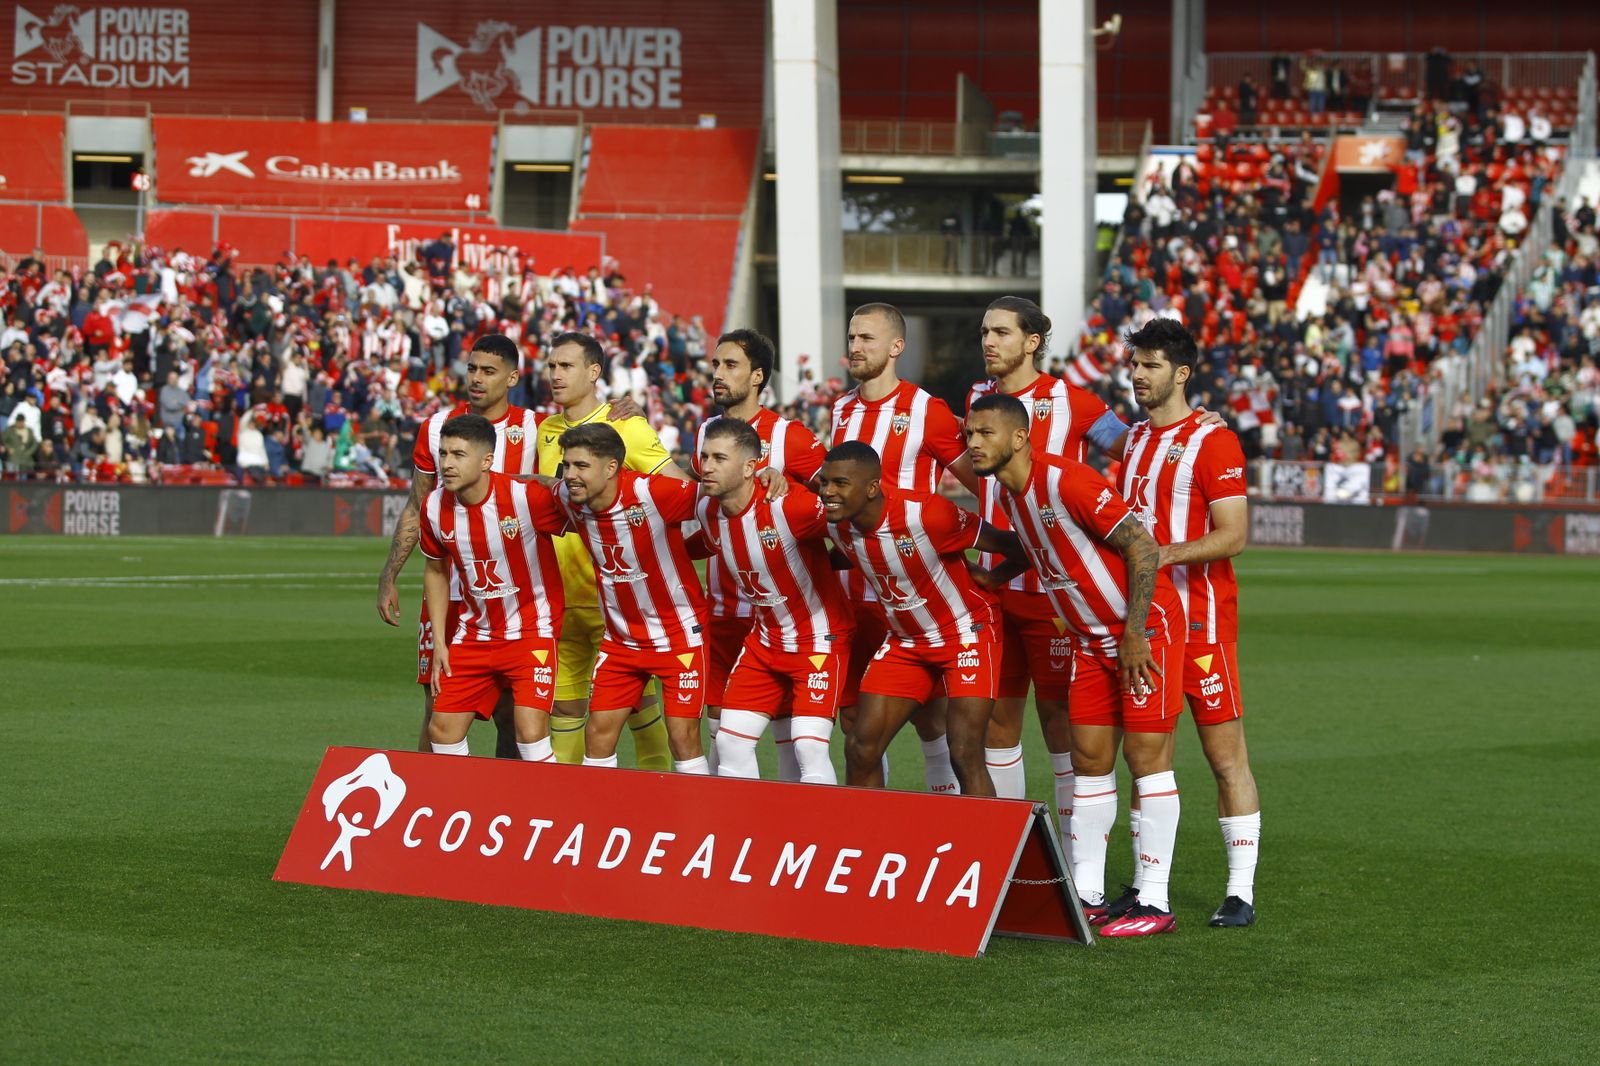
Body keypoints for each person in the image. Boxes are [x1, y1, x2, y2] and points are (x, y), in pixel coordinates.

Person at [964, 392, 1185, 938]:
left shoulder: (1068, 481)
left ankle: (1154, 900)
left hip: (1144, 629)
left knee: (1145, 756)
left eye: (984, 433)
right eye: (970, 433)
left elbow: (1143, 546)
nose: (972, 442)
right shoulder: (1010, 493)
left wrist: (1134, 632)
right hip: (1088, 639)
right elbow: (1033, 545)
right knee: (1088, 759)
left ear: (1019, 438)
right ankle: (1086, 891)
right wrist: (995, 576)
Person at [965, 296, 1130, 826]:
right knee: (995, 724)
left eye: (1001, 332)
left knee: (1061, 726)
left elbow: (1135, 453)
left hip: (1054, 595)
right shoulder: (975, 398)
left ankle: (1064, 851)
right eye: (985, 332)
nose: (989, 341)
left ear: (1032, 342)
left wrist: (1191, 426)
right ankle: (1015, 851)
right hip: (993, 589)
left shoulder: (1073, 402)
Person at [1120, 318, 1260, 928]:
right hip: (1147, 628)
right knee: (1147, 757)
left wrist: (1166, 553)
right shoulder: (1129, 440)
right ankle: (1150, 888)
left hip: (1202, 627)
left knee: (1225, 758)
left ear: (1181, 372)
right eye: (1135, 365)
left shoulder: (1214, 441)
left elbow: (1234, 536)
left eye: (1150, 365)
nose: (1138, 376)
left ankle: (1240, 891)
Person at [831, 302, 984, 794]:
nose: (855, 347)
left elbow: (986, 488)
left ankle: (942, 819)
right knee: (856, 727)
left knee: (935, 723)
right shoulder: (841, 409)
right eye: (852, 337)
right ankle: (876, 839)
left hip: (918, 597)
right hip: (853, 590)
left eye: (867, 339)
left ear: (896, 347)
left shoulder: (927, 411)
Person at [818, 440, 1029, 798]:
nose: (827, 492)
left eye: (839, 483)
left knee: (964, 752)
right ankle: (864, 843)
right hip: (906, 642)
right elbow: (855, 554)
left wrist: (994, 578)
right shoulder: (839, 524)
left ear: (872, 488)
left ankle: (984, 850)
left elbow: (1017, 545)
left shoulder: (928, 514)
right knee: (860, 747)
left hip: (967, 632)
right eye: (824, 483)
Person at [376, 334, 542, 759]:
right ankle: (430, 805)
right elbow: (418, 505)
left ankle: (507, 805)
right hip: (451, 595)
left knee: (512, 716)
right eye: (472, 369)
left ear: (512, 377)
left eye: (488, 371)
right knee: (436, 709)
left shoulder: (535, 429)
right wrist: (389, 573)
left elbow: (591, 452)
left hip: (513, 600)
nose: (477, 378)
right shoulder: (436, 428)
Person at [537, 330, 691, 769]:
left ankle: (658, 800)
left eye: (566, 366)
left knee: (637, 707)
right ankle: (562, 808)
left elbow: (678, 490)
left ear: (594, 372)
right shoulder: (546, 430)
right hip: (563, 600)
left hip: (620, 603)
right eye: (551, 366)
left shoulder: (626, 427)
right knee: (564, 710)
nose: (555, 375)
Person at [693, 329, 826, 774]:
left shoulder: (790, 436)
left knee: (792, 740)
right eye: (715, 365)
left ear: (757, 377)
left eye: (730, 365)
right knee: (722, 735)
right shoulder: (705, 433)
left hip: (780, 618)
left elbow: (840, 491)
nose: (717, 374)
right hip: (723, 611)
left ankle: (794, 828)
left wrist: (791, 482)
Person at [696, 418, 851, 784]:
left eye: (719, 458)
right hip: (766, 640)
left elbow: (853, 521)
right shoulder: (708, 512)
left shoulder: (789, 505)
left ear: (751, 467)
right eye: (704, 457)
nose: (707, 466)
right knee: (731, 742)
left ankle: (815, 836)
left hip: (819, 639)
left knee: (808, 748)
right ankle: (745, 830)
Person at [550, 422, 709, 773]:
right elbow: (540, 485)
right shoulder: (567, 496)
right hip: (621, 642)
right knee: (598, 733)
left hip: (678, 636)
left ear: (611, 468)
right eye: (567, 465)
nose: (569, 475)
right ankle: (602, 819)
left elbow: (717, 497)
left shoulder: (655, 493)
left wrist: (768, 477)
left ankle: (698, 820)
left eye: (580, 466)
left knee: (683, 738)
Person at [418, 414, 568, 761]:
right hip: (474, 634)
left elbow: (585, 524)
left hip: (532, 631)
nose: (447, 464)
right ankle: (459, 807)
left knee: (530, 733)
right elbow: (436, 571)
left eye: (458, 454)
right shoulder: (434, 507)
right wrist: (440, 643)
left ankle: (548, 809)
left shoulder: (526, 499)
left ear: (486, 461)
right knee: (441, 728)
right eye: (443, 454)